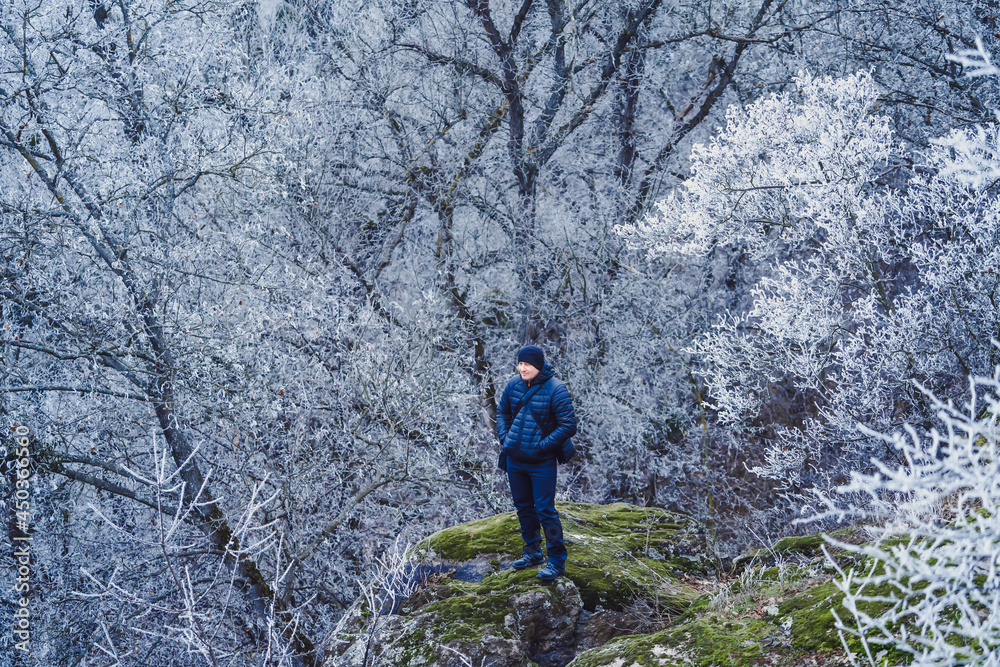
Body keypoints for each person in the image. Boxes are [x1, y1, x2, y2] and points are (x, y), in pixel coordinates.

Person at [496, 345, 577, 580]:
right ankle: (532, 552)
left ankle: (557, 561)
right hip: (514, 460)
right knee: (523, 507)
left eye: (527, 365)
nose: (522, 368)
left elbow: (568, 426)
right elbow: (502, 412)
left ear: (538, 365)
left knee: (545, 510)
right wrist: (506, 438)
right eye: (520, 364)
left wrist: (542, 446)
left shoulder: (556, 389)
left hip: (541, 463)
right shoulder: (513, 385)